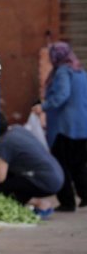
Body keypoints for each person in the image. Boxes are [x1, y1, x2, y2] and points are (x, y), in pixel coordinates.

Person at [32, 41, 87, 211]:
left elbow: (62, 94)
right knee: (78, 165)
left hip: (65, 127)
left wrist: (43, 106)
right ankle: (85, 196)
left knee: (61, 165)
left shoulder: (63, 71)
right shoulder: (79, 70)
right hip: (81, 126)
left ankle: (67, 202)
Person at [0, 111, 63, 216]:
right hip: (57, 174)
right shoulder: (17, 129)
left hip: (48, 181)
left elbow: (0, 178)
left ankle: (40, 204)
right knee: (11, 177)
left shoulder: (4, 143)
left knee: (3, 187)